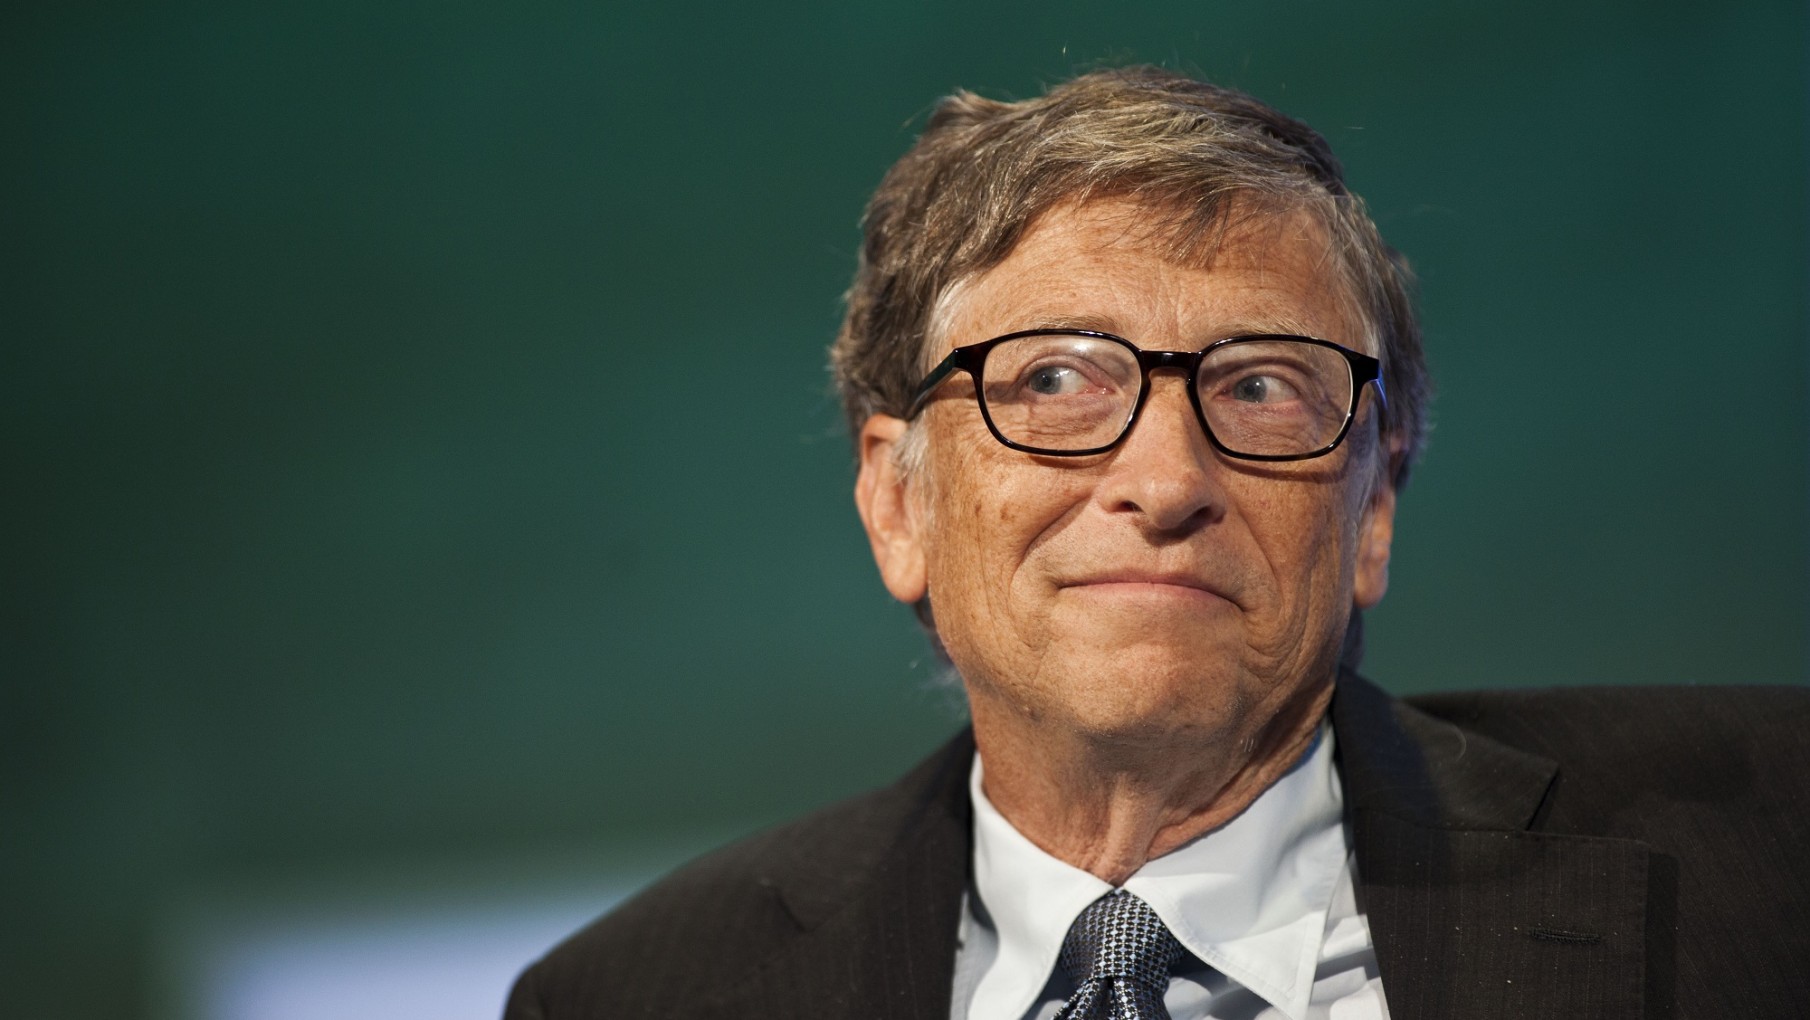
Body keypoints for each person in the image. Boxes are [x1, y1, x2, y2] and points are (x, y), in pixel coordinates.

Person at [504, 67, 1808, 1019]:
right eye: (1055, 382)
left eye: (1259, 387)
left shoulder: (1767, 852)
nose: (1165, 479)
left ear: (1372, 511)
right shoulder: (631, 999)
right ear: (898, 502)